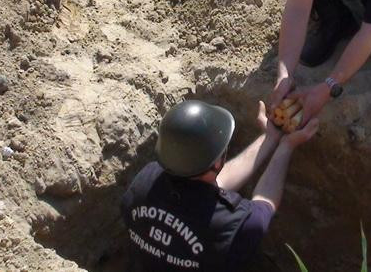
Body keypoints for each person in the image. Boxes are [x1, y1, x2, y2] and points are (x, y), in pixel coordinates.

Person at [120, 100, 319, 271]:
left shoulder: (145, 181)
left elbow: (209, 183)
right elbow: (265, 201)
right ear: (217, 163)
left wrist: (269, 138)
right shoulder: (236, 226)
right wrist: (286, 147)